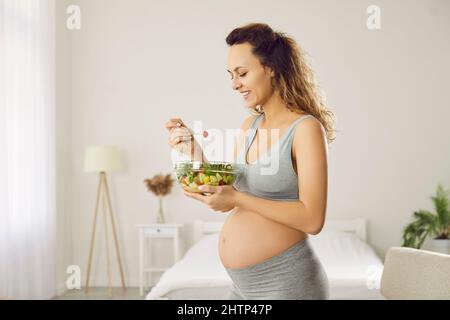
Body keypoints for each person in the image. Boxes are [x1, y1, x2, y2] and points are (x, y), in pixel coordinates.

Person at [165, 22, 336, 300]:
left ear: (271, 68)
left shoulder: (305, 129)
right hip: (243, 288)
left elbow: (313, 219)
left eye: (242, 73)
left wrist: (236, 200)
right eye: (231, 75)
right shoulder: (250, 126)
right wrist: (193, 149)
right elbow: (234, 192)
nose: (235, 84)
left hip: (286, 284)